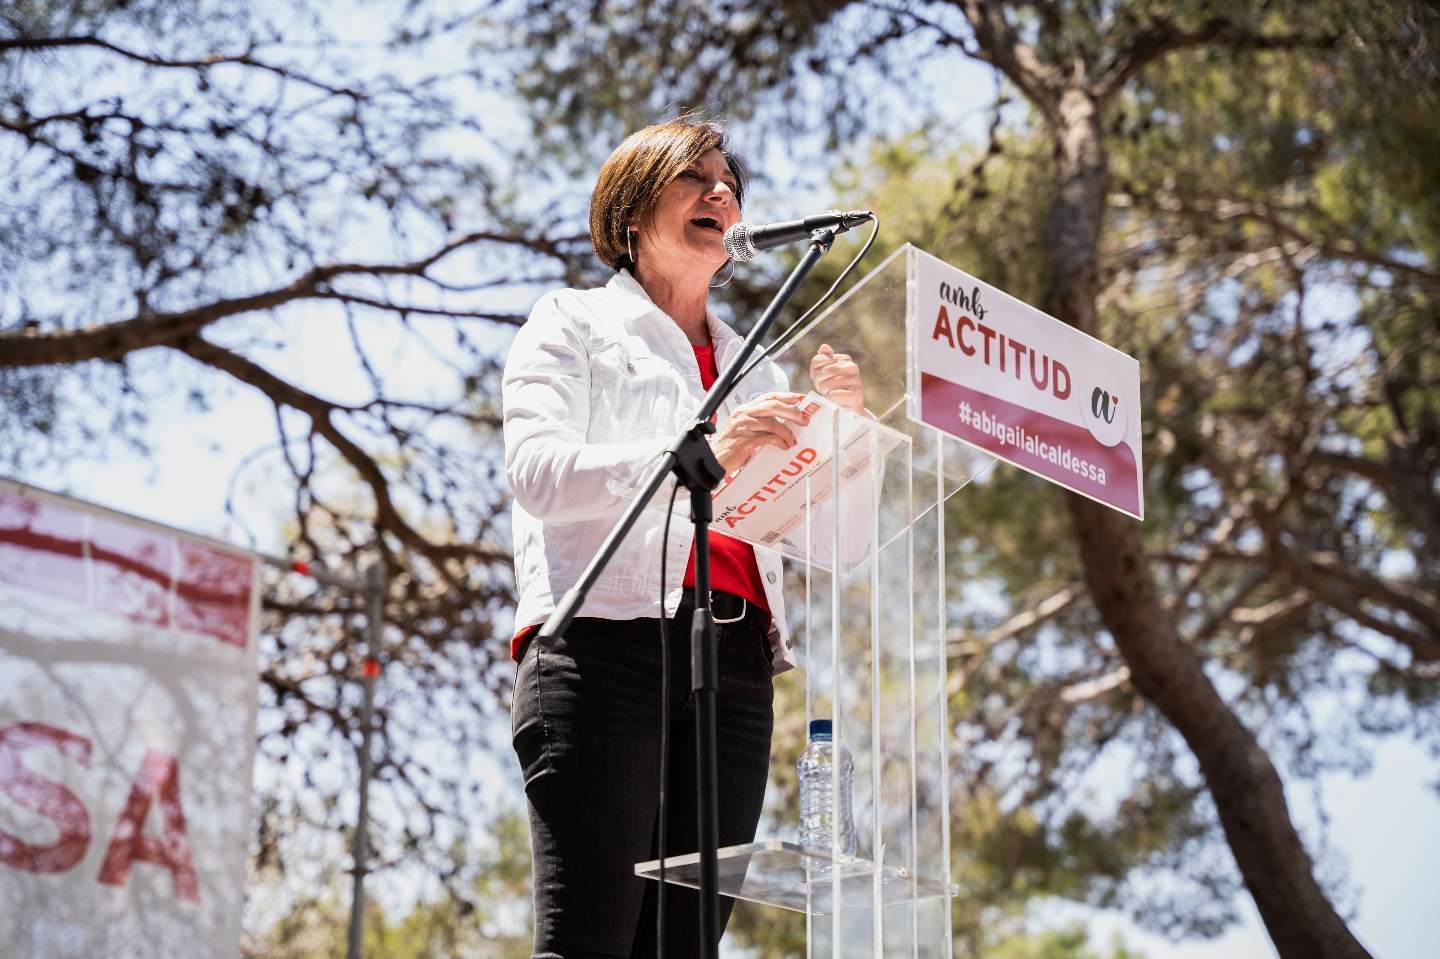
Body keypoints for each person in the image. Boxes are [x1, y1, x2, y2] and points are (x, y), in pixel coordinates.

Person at [503, 118, 864, 958]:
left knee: (685, 950)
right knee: (592, 942)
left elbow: (832, 541)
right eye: (693, 178)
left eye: (729, 182)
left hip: (734, 673)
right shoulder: (572, 324)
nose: (720, 193)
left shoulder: (756, 366)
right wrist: (695, 456)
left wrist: (845, 439)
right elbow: (540, 475)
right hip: (604, 652)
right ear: (630, 212)